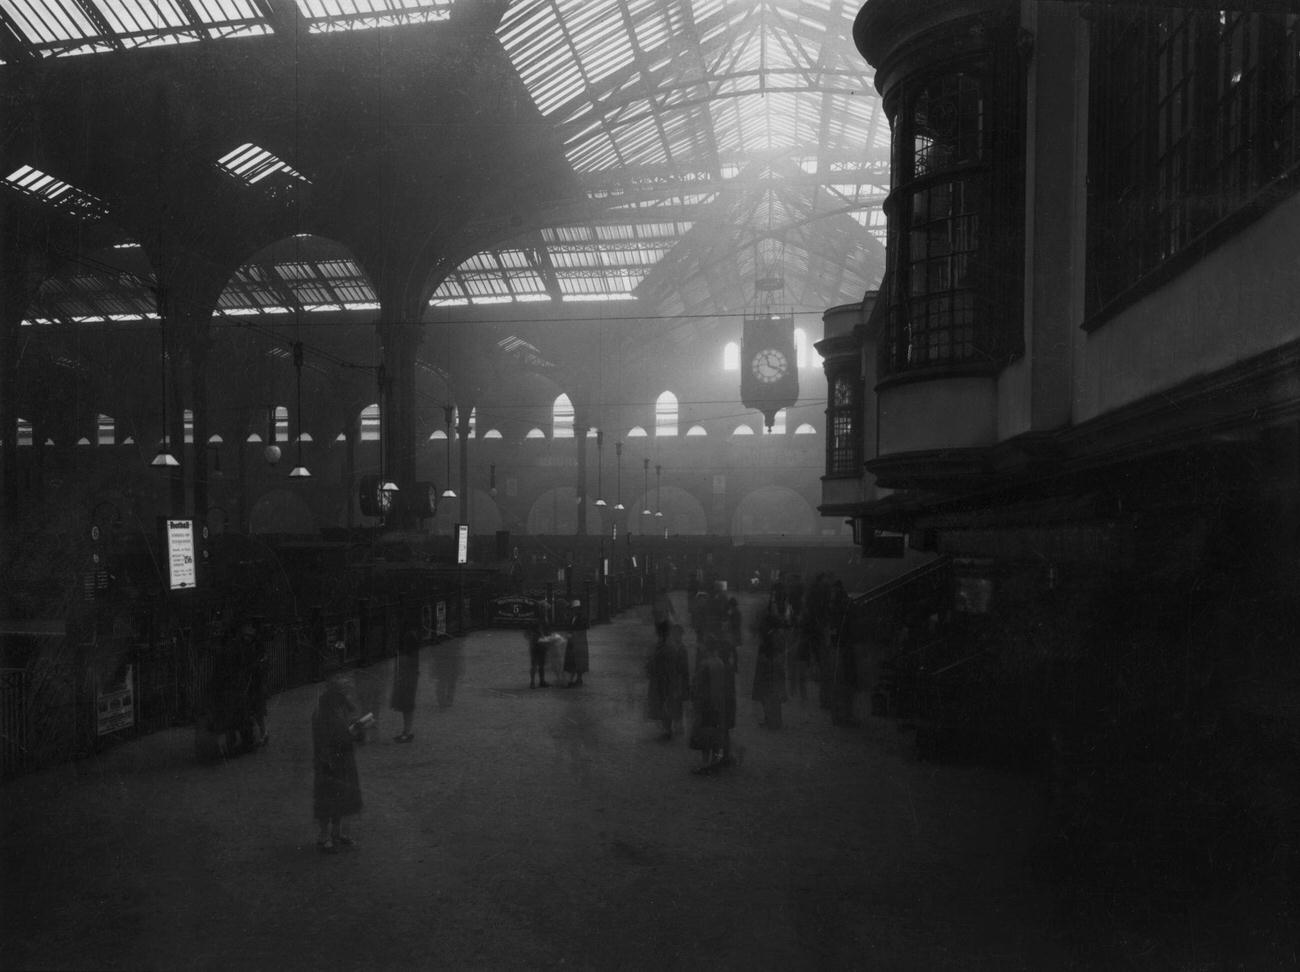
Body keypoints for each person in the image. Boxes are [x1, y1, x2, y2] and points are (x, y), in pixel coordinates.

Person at [312, 674, 364, 853]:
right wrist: (351, 733)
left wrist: (355, 729)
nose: (349, 694)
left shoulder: (339, 707)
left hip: (343, 758)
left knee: (340, 794)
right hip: (330, 760)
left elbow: (343, 730)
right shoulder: (323, 712)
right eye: (345, 690)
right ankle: (324, 835)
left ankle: (336, 832)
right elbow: (325, 738)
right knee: (328, 796)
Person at [690, 637, 736, 774]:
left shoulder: (705, 664)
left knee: (705, 733)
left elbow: (698, 686)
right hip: (719, 702)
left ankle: (705, 763)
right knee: (716, 733)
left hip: (706, 702)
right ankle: (715, 761)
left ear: (706, 647)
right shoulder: (720, 663)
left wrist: (695, 701)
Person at [646, 623, 691, 740]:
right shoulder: (667, 646)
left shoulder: (670, 647)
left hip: (668, 680)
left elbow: (680, 667)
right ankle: (671, 727)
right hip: (667, 680)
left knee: (669, 703)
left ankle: (670, 728)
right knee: (668, 704)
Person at [390, 608, 421, 742]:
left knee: (407, 704)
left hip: (407, 674)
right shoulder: (411, 635)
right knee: (407, 704)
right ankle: (406, 731)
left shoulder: (408, 637)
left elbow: (409, 657)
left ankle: (407, 732)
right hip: (409, 674)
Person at [752, 612, 786, 729]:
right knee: (774, 697)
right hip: (775, 669)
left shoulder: (770, 636)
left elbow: (764, 655)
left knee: (767, 696)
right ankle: (775, 721)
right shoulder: (778, 635)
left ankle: (771, 721)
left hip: (768, 670)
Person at [563, 601, 590, 687]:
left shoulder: (582, 618)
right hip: (572, 642)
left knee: (578, 660)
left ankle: (578, 678)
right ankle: (574, 679)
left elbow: (582, 628)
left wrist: (572, 634)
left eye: (575, 609)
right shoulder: (572, 617)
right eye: (573, 609)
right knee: (573, 660)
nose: (574, 611)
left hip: (578, 642)